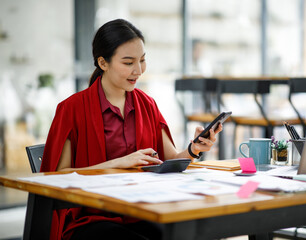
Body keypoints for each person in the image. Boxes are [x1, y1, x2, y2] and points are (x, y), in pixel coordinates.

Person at [40, 19, 222, 240]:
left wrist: (194, 149)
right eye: (128, 63)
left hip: (142, 211)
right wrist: (120, 163)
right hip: (91, 218)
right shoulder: (71, 109)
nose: (138, 70)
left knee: (191, 233)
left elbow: (170, 159)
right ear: (103, 62)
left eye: (142, 60)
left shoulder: (148, 105)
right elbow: (59, 176)